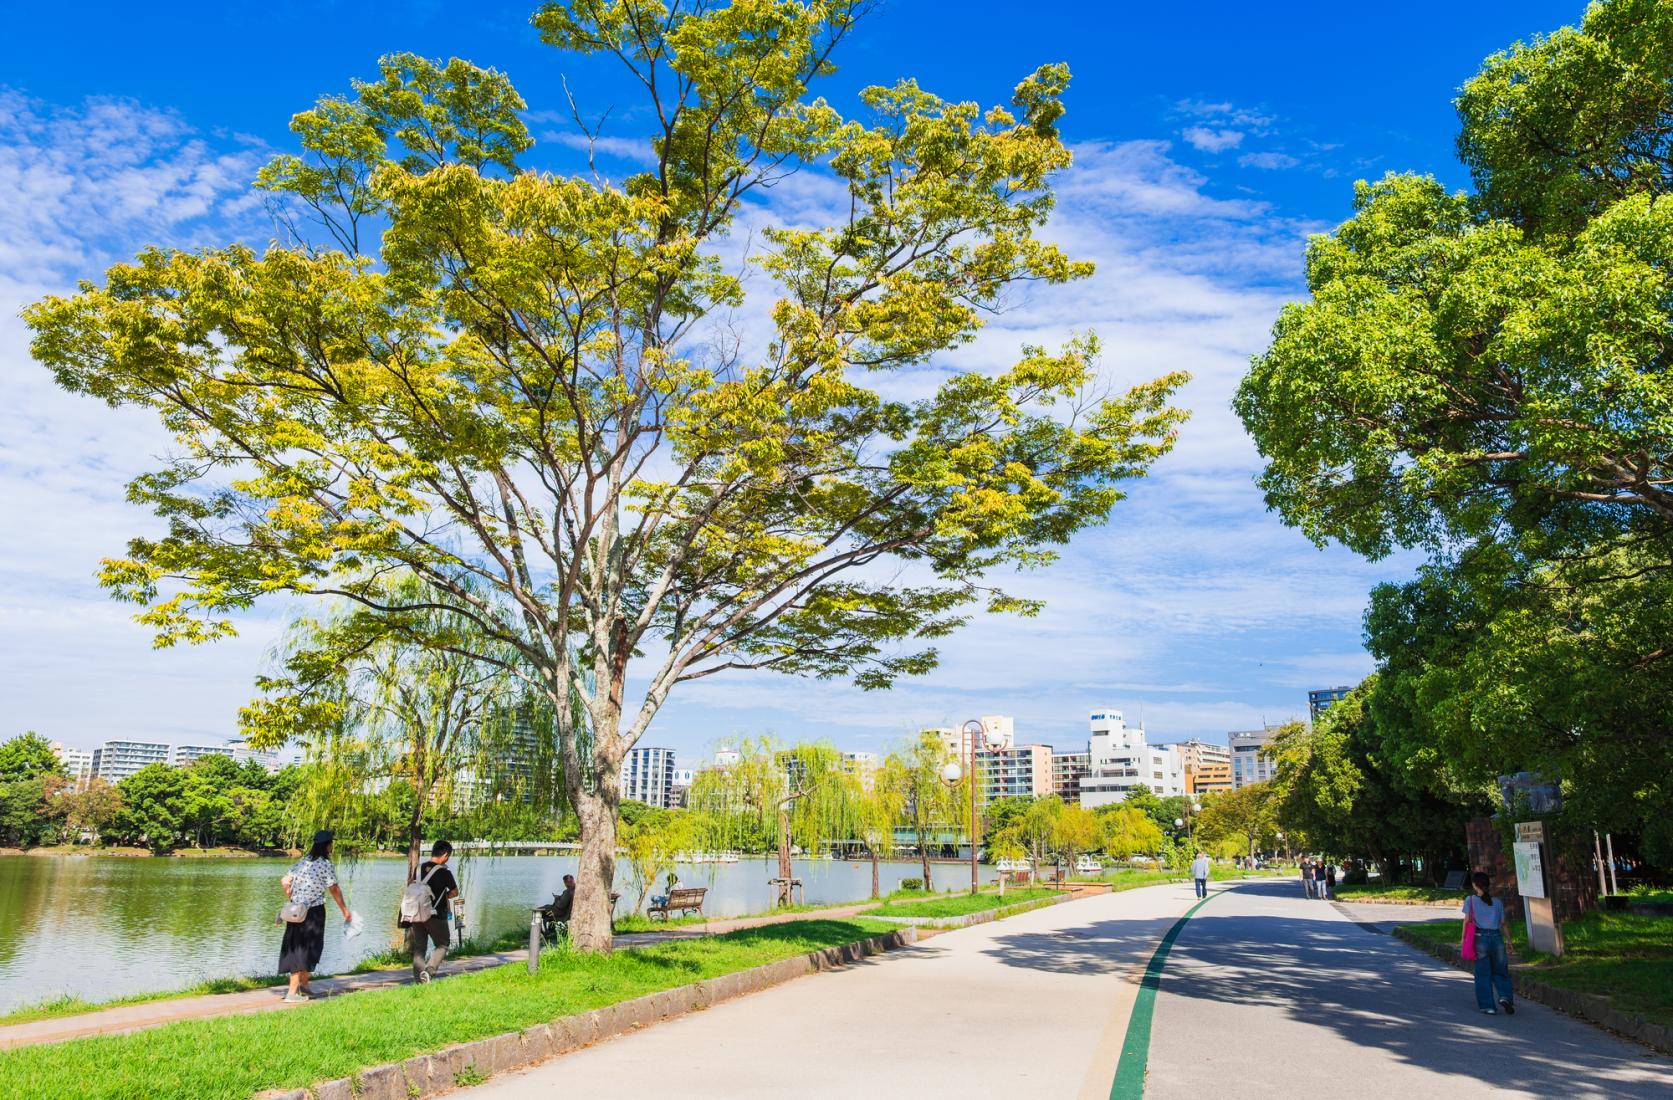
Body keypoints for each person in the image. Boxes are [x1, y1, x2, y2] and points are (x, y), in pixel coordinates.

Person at [279, 830, 352, 1003]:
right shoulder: (325, 864)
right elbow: (334, 888)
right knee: (305, 949)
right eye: (331, 844)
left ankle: (304, 986)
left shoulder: (302, 862)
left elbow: (284, 881)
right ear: (327, 845)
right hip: (313, 912)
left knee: (301, 947)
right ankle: (292, 993)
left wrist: (293, 897)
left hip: (297, 912)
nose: (332, 846)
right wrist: (345, 911)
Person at [402, 840, 459, 984]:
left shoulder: (418, 868)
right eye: (448, 856)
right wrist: (444, 896)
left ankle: (419, 981)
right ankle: (429, 971)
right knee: (443, 944)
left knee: (420, 947)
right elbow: (455, 892)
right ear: (445, 855)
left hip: (417, 914)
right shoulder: (444, 872)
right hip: (435, 915)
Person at [1464, 871, 1515, 1015]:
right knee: (1501, 971)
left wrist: (1463, 938)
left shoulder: (1470, 900)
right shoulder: (1497, 902)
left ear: (1475, 885)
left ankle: (1488, 1006)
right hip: (1497, 938)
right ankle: (1505, 996)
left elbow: (1467, 921)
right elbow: (1503, 923)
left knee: (1483, 973)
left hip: (1480, 939)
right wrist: (1509, 941)